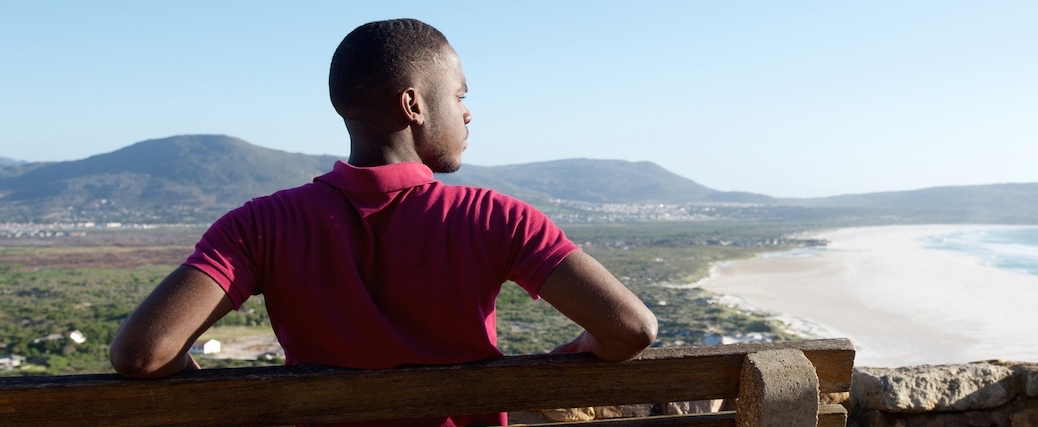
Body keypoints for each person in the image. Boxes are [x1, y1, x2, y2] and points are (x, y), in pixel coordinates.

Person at [109, 19, 658, 426]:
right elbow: (632, 329)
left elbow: (142, 353)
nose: (467, 112)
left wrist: (231, 397)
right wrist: (567, 355)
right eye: (460, 95)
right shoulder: (494, 218)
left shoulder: (260, 225)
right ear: (414, 104)